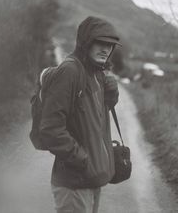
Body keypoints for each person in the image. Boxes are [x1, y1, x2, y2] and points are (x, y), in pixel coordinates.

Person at [39, 16, 121, 213]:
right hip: (74, 183)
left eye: (110, 45)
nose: (106, 49)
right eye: (100, 43)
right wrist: (82, 160)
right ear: (86, 43)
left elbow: (99, 115)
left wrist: (112, 91)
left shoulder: (96, 73)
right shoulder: (70, 71)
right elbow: (50, 129)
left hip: (92, 180)